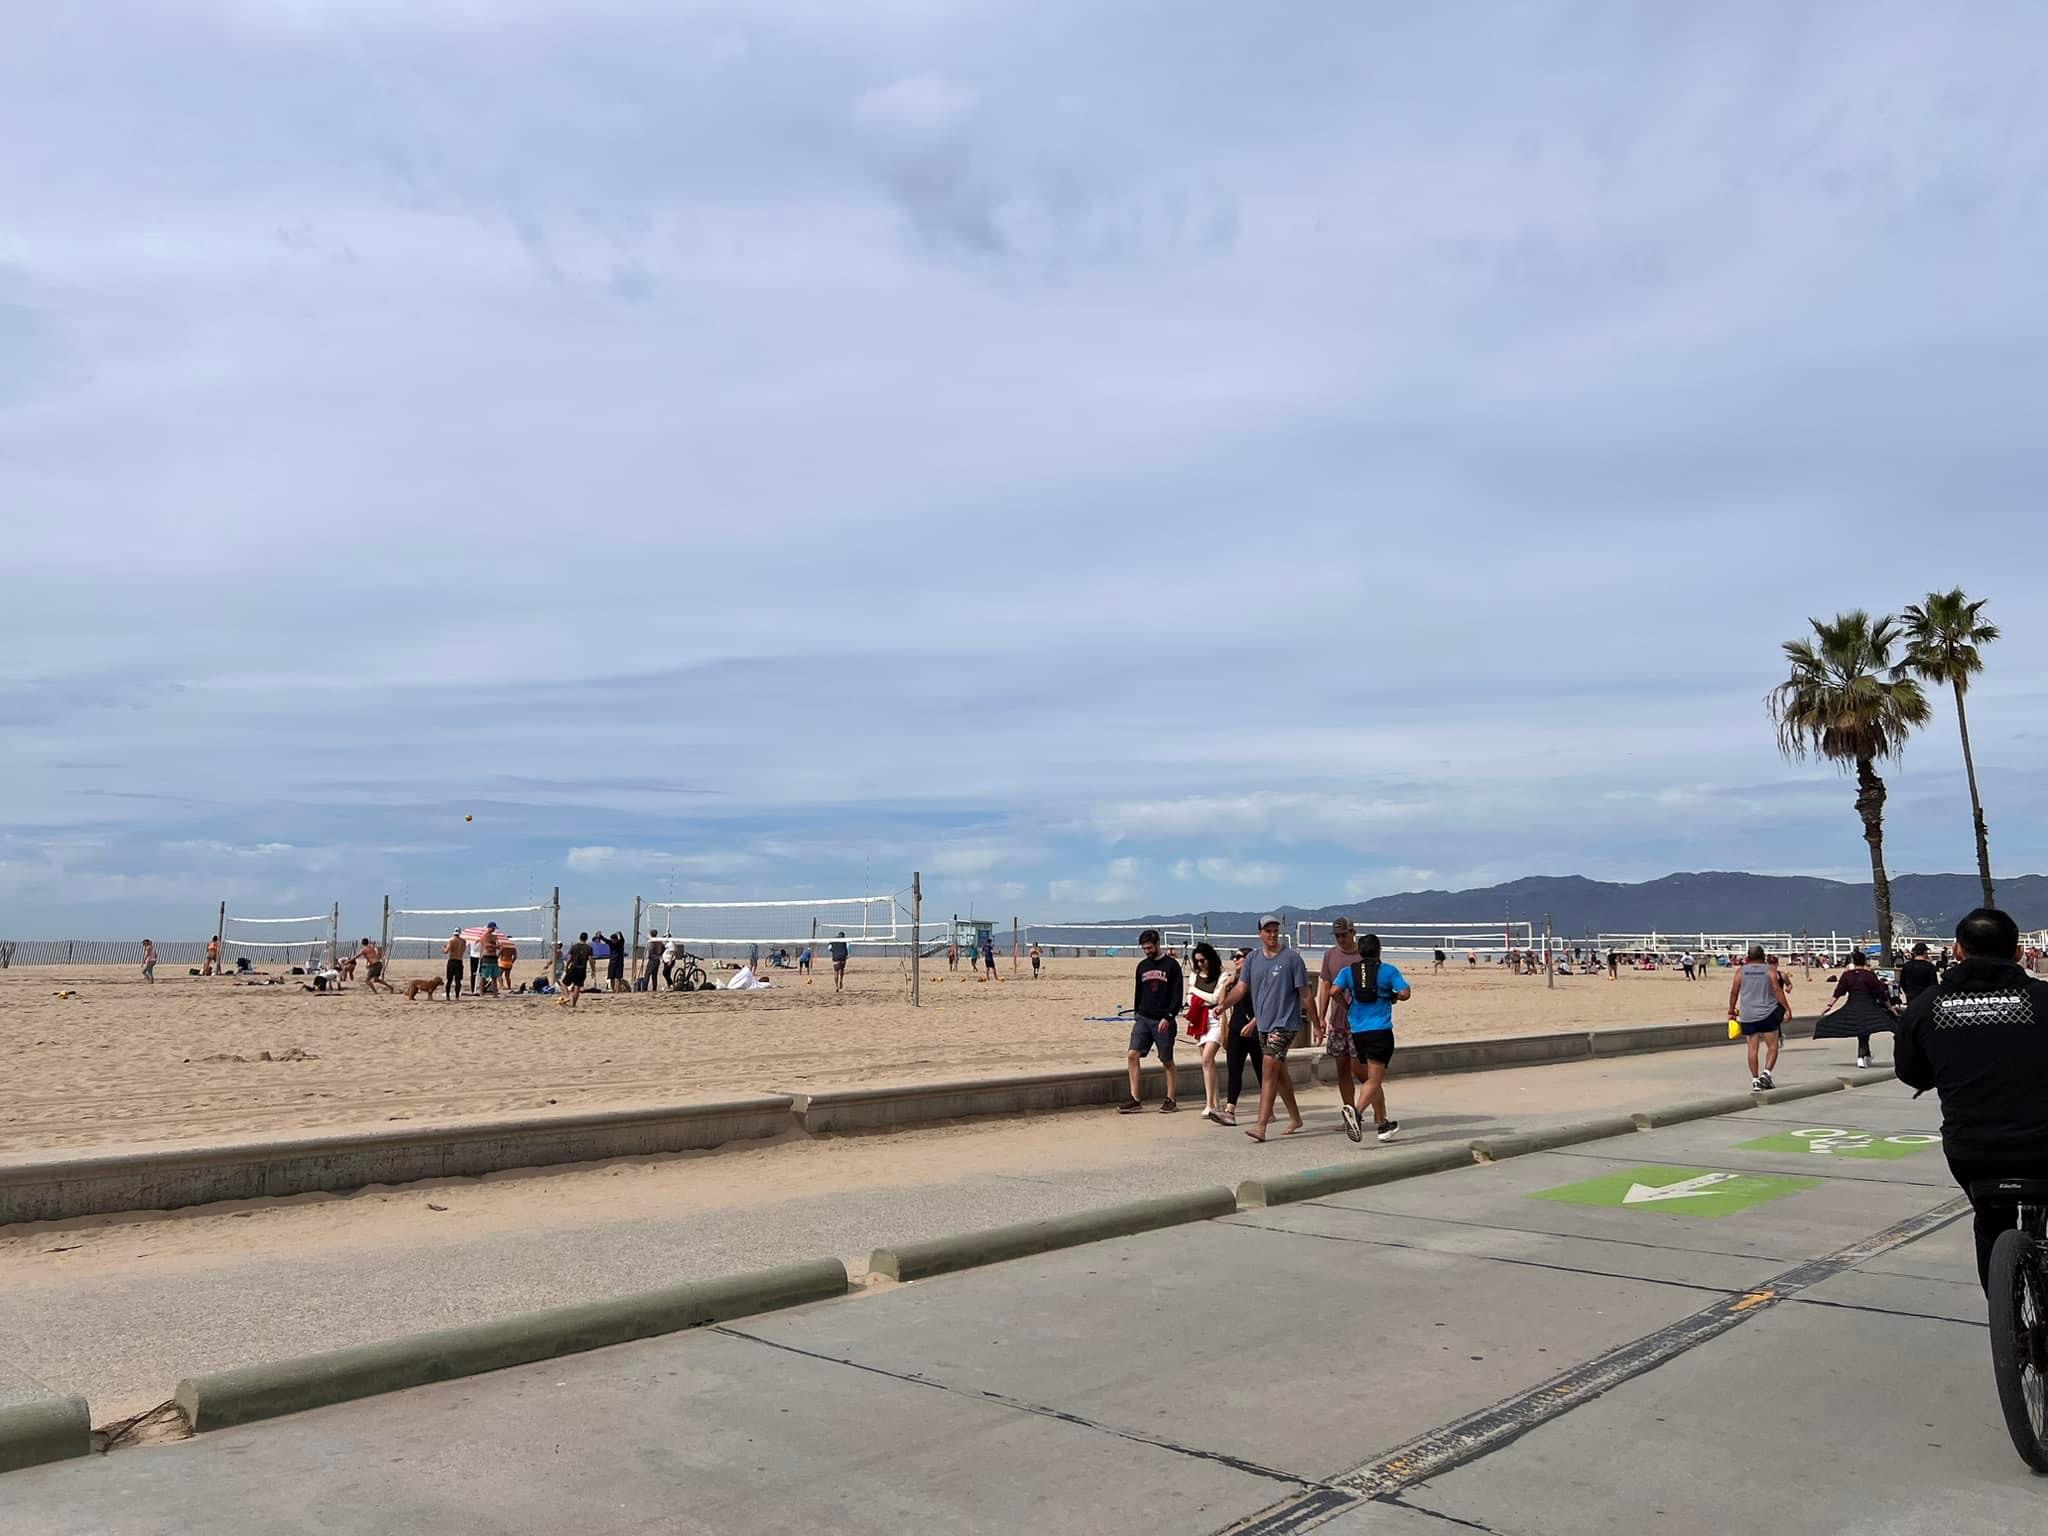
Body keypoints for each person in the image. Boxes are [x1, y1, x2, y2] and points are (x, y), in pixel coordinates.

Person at [1895, 908, 2048, 1291]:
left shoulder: (1927, 1006)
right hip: (2043, 1145)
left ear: (1958, 950)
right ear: (2018, 952)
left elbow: (1910, 1072)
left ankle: (2004, 1308)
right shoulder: (2044, 999)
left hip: (1973, 1152)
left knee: (1991, 1221)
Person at [1212, 917, 1310, 1143]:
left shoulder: (1292, 958)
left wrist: (1318, 1021)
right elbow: (1241, 988)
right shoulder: (1253, 959)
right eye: (1268, 931)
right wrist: (1223, 1005)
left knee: (1268, 1069)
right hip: (1265, 1025)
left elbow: (1305, 994)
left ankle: (1261, 1126)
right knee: (1280, 1074)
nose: (1272, 934)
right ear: (1260, 933)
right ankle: (1296, 1118)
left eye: (1275, 930)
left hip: (1285, 1023)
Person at [1332, 932, 1411, 1142]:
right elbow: (1405, 993)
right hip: (1380, 1030)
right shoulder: (1388, 970)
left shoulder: (1348, 971)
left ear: (1359, 951)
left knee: (1371, 1079)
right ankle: (1356, 1114)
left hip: (1358, 1031)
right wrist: (1392, 995)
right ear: (1379, 950)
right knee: (1374, 1080)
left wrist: (1346, 1006)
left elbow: (1333, 991)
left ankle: (1383, 1124)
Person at [1119, 928, 1183, 1113]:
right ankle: (1135, 1099)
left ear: (1157, 944)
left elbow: (1177, 994)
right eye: (1144, 948)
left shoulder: (1171, 966)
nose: (1147, 951)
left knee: (1166, 1060)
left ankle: (1171, 1099)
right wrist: (1137, 1013)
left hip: (1163, 1020)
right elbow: (1138, 991)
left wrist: (1169, 1016)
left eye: (1149, 947)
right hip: (1143, 1018)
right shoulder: (1142, 966)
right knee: (1132, 1054)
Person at [1315, 917, 1367, 1133]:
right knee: (1342, 1070)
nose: (1340, 939)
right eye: (1337, 936)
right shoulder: (1330, 955)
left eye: (1344, 935)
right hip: (1337, 1022)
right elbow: (1325, 987)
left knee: (1361, 1070)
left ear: (1353, 932)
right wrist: (1321, 1017)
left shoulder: (1364, 954)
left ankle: (1376, 1111)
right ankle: (1350, 1115)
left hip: (1360, 1023)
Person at [1812, 948, 1894, 1068]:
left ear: (1853, 962)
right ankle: (1862, 1055)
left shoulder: (1847, 975)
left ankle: (1865, 1055)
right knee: (1866, 1029)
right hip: (1868, 1005)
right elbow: (1881, 993)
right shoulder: (1869, 975)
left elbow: (1839, 992)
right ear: (1864, 961)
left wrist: (1829, 1006)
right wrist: (1890, 1008)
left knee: (1862, 1029)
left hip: (1853, 1004)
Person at [1729, 943, 1790, 1089]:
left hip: (1748, 1015)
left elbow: (1734, 992)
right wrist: (1787, 1008)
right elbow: (1777, 990)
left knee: (1752, 1049)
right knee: (1773, 1046)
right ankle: (1766, 1073)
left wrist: (1731, 1010)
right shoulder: (1769, 970)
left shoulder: (1741, 972)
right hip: (1768, 1013)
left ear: (1748, 957)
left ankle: (1755, 1079)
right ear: (1763, 956)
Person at [1185, 942, 1229, 1122]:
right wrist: (1195, 997)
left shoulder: (1222, 975)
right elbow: (1189, 999)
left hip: (1215, 1019)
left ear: (1210, 958)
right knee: (1208, 1063)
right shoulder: (1194, 975)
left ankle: (1210, 1104)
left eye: (1203, 960)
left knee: (1207, 1058)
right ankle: (1215, 1102)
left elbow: (1215, 998)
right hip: (1199, 1018)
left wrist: (1195, 992)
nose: (1200, 964)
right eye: (1197, 961)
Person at [1898, 941, 1939, 1009]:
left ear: (1915, 952)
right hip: (1926, 997)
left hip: (1911, 996)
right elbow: (1934, 984)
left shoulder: (1907, 965)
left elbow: (1902, 982)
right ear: (1925, 952)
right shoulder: (1930, 967)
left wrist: (1907, 992)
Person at [561, 932, 593, 1009]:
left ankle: (567, 997)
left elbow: (569, 958)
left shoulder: (574, 947)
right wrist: (593, 970)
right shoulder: (589, 948)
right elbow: (590, 960)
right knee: (577, 987)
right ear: (586, 938)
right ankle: (573, 1005)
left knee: (564, 983)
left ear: (579, 938)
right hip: (582, 969)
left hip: (573, 968)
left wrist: (566, 966)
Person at [479, 922, 502, 997]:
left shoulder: (495, 936)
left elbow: (500, 946)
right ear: (489, 928)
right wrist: (495, 946)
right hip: (487, 957)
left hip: (494, 957)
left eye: (494, 928)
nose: (494, 930)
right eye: (493, 928)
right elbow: (486, 945)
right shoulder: (484, 936)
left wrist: (495, 948)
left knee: (494, 976)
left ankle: (495, 993)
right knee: (484, 976)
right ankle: (481, 992)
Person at [443, 929, 466, 1001]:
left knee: (449, 980)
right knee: (458, 980)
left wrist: (444, 948)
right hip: (459, 960)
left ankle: (447, 996)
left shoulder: (451, 940)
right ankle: (457, 997)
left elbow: (446, 951)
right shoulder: (463, 941)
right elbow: (463, 950)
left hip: (452, 960)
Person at [465, 930, 483, 995]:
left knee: (474, 973)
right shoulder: (482, 939)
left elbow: (467, 948)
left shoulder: (471, 938)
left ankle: (473, 989)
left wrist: (470, 952)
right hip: (480, 956)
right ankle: (480, 989)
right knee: (480, 973)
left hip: (473, 955)